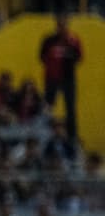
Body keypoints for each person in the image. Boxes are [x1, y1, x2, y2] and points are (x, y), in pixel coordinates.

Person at [39, 15, 82, 144]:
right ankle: (45, 133)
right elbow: (41, 56)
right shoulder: (48, 40)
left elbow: (79, 57)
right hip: (51, 78)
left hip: (68, 78)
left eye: (64, 25)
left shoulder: (73, 40)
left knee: (70, 109)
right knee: (48, 108)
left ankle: (72, 137)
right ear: (56, 25)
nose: (61, 27)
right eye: (59, 25)